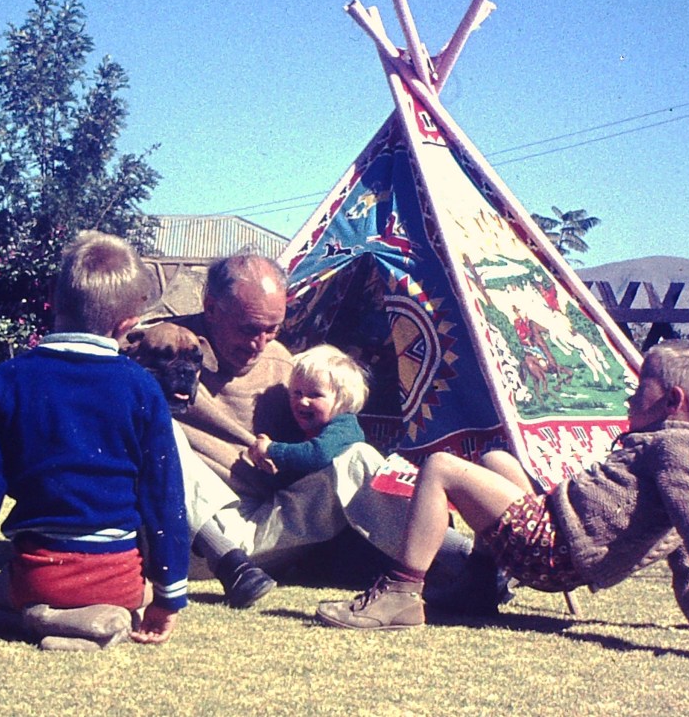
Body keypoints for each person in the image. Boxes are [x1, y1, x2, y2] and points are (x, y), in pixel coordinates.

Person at [315, 339, 689, 636]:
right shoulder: (679, 455)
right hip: (555, 537)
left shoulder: (674, 449)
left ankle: (400, 592)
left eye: (640, 388)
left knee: (440, 468)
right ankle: (479, 586)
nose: (630, 397)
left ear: (673, 401)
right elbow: (678, 533)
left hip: (554, 548)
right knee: (496, 459)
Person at [170, 251, 496, 612]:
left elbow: (327, 450)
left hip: (265, 529)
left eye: (271, 329)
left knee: (355, 457)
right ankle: (228, 562)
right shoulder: (164, 348)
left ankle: (471, 565)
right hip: (191, 540)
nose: (257, 344)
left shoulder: (281, 364)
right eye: (248, 328)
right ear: (212, 307)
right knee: (155, 427)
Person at [0, 230, 189, 650]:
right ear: (127, 323)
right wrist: (168, 598)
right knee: (143, 595)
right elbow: (164, 499)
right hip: (117, 576)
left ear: (54, 300)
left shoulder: (7, 380)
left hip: (38, 572)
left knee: (3, 598)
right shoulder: (142, 388)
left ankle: (43, 617)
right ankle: (99, 621)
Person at [245, 344, 370, 488]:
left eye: (315, 395)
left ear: (343, 400)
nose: (303, 401)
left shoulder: (344, 427)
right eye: (297, 393)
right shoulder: (307, 430)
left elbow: (317, 455)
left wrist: (271, 449)